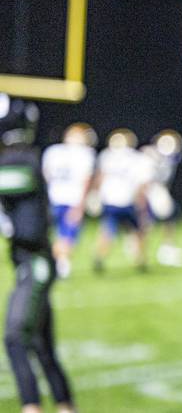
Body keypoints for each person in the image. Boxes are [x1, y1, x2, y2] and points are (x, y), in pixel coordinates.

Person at [0, 93, 75, 413]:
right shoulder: (25, 157)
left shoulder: (19, 161)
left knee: (16, 338)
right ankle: (66, 406)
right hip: (32, 260)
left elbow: (25, 227)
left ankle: (31, 406)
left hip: (35, 262)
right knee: (43, 347)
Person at [42, 122, 97, 278]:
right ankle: (60, 264)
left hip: (53, 198)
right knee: (67, 236)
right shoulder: (85, 154)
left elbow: (46, 176)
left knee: (51, 235)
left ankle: (56, 263)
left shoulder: (53, 151)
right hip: (73, 199)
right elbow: (86, 181)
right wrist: (81, 205)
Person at [92, 128, 152, 273]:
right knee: (138, 231)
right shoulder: (137, 158)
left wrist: (95, 194)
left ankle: (99, 256)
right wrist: (141, 201)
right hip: (127, 201)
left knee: (107, 230)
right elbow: (142, 183)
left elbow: (100, 178)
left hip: (110, 200)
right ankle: (140, 260)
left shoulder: (107, 156)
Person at [140, 129, 182, 267]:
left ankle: (166, 248)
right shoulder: (150, 155)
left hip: (158, 190)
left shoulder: (170, 158)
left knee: (171, 215)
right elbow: (144, 178)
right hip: (149, 191)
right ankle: (140, 249)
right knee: (146, 222)